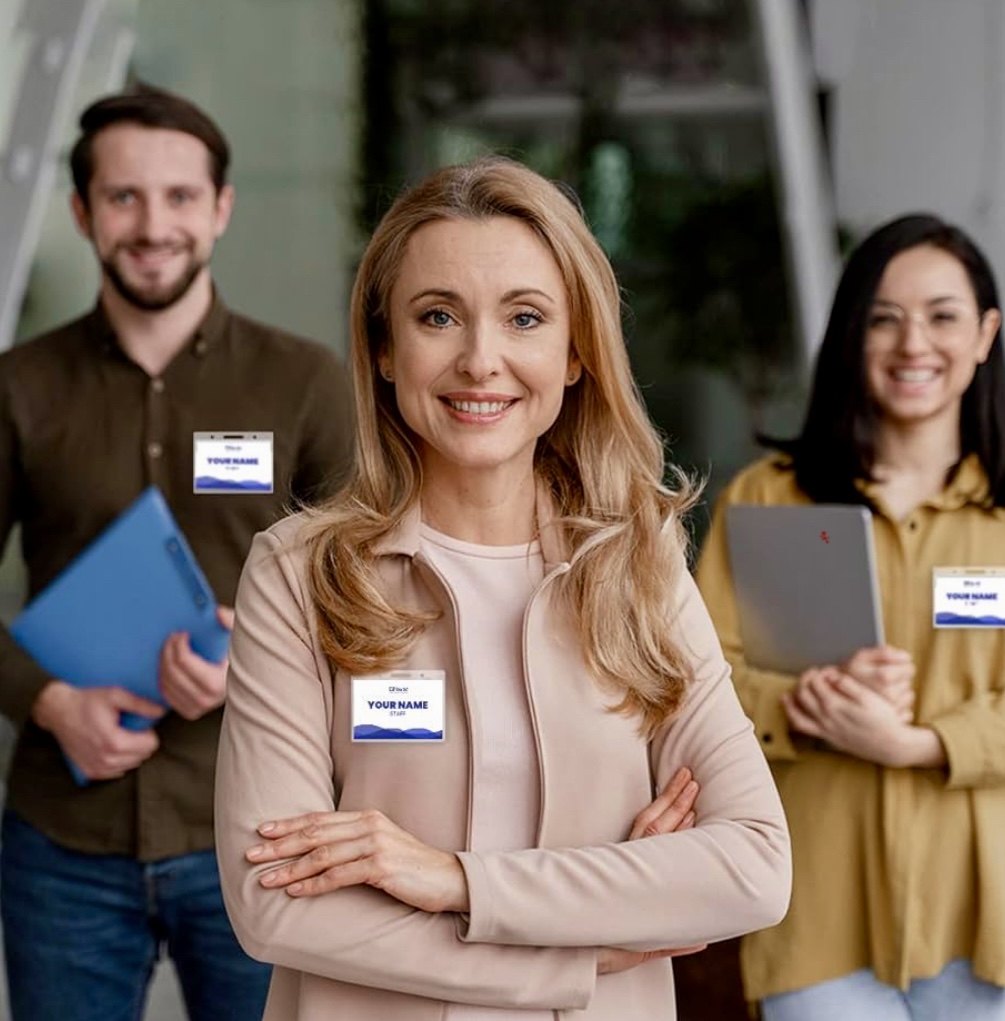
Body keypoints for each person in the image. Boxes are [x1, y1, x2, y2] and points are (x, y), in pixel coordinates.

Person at [214, 155, 791, 1021]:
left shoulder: (641, 566)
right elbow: (275, 903)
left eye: (524, 318)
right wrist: (589, 943)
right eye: (438, 315)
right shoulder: (298, 574)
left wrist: (452, 879)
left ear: (574, 354)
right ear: (383, 346)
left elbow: (752, 864)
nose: (481, 361)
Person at [0, 87, 354, 1021]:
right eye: (123, 198)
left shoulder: (307, 383)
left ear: (221, 207)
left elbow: (380, 598)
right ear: (82, 212)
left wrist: (268, 660)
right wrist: (49, 700)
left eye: (180, 197)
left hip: (264, 832)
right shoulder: (18, 389)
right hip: (62, 840)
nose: (153, 225)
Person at [696, 214, 1005, 1021]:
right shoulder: (768, 498)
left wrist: (920, 744)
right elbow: (695, 680)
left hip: (978, 910)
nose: (914, 342)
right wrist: (810, 707)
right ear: (852, 334)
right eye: (884, 317)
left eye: (943, 315)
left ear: (985, 334)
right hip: (814, 911)